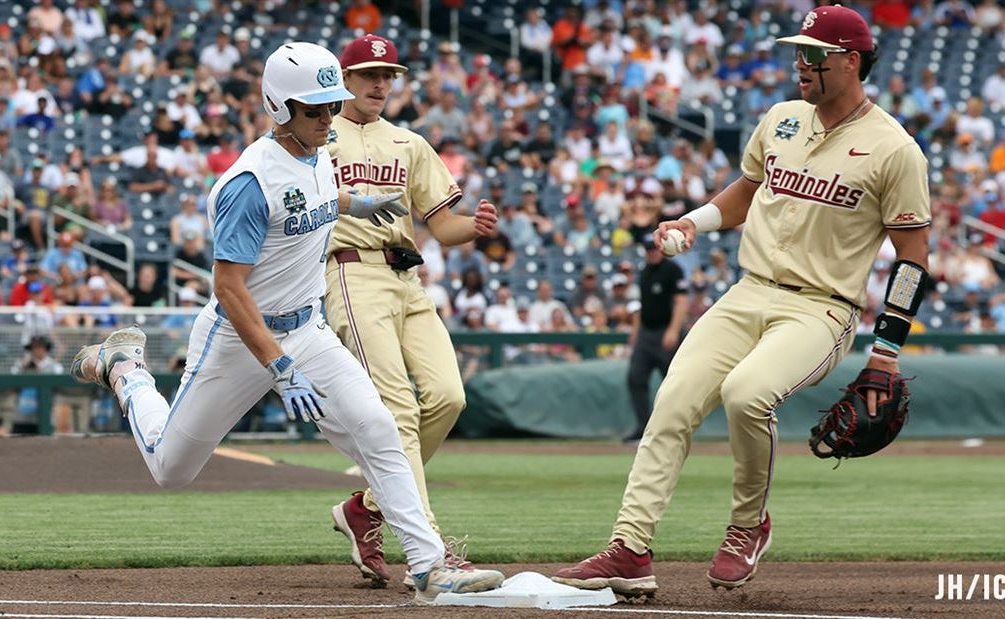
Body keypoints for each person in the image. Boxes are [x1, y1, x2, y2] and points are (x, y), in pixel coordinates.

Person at [69, 41, 503, 604]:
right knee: (172, 469)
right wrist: (279, 365)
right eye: (314, 108)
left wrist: (357, 203)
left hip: (308, 328)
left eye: (331, 106)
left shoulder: (316, 150)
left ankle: (428, 566)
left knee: (380, 429)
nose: (328, 118)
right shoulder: (249, 184)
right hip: (239, 338)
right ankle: (127, 372)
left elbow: (316, 192)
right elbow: (229, 288)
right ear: (280, 108)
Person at [553, 5, 931, 597]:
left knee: (747, 393)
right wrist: (695, 222)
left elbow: (912, 257)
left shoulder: (894, 149)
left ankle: (747, 526)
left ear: (850, 61)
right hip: (748, 290)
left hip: (821, 307)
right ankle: (630, 548)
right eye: (797, 52)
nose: (799, 64)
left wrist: (886, 351)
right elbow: (746, 193)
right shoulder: (782, 118)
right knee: (673, 401)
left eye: (813, 54)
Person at [324, 34, 500, 588]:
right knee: (396, 409)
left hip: (407, 276)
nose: (381, 84)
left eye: (389, 75)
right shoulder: (316, 134)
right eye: (370, 74)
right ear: (344, 78)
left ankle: (369, 506)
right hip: (349, 270)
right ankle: (430, 550)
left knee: (450, 396)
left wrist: (474, 226)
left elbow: (443, 226)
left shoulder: (409, 142)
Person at [623, 234, 689, 444]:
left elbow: (681, 301)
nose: (651, 252)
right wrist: (636, 334)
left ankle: (674, 428)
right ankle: (643, 427)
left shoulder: (673, 270)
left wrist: (673, 330)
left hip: (665, 331)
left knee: (671, 383)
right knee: (635, 378)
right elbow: (642, 307)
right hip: (647, 333)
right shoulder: (645, 272)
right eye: (648, 248)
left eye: (654, 248)